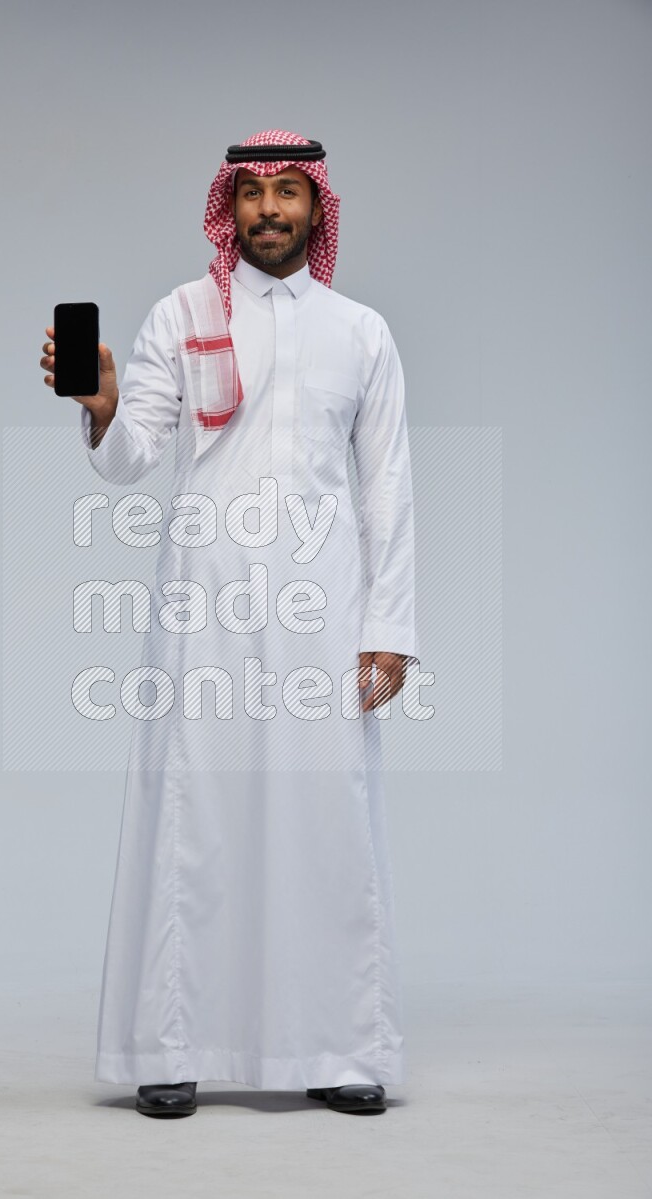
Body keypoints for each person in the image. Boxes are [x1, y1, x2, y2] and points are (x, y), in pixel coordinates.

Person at [39, 129, 419, 1118]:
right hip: (203, 605)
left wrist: (388, 627)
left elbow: (387, 489)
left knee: (326, 816)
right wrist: (102, 405)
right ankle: (172, 1045)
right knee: (193, 818)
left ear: (316, 207)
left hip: (322, 613)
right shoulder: (182, 313)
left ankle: (338, 1046)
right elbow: (129, 458)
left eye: (288, 192)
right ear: (230, 208)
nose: (269, 211)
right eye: (252, 194)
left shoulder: (361, 333)